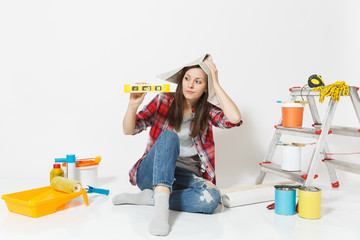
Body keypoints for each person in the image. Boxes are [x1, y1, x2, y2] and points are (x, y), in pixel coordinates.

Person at [113, 54, 243, 236]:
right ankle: (160, 214)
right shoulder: (164, 100)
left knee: (212, 199)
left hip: (183, 176)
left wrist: (217, 84)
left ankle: (152, 198)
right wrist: (132, 105)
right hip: (150, 173)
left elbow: (234, 119)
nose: (190, 85)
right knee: (169, 136)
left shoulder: (208, 110)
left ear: (206, 88)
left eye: (198, 82)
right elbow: (129, 130)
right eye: (187, 79)